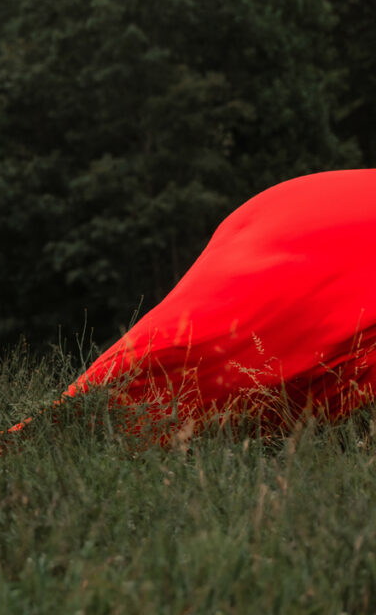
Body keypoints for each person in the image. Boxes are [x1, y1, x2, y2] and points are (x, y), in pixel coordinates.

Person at [64, 169, 376, 442]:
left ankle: (88, 409)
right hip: (309, 231)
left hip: (296, 215)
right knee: (205, 339)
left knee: (198, 338)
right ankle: (87, 412)